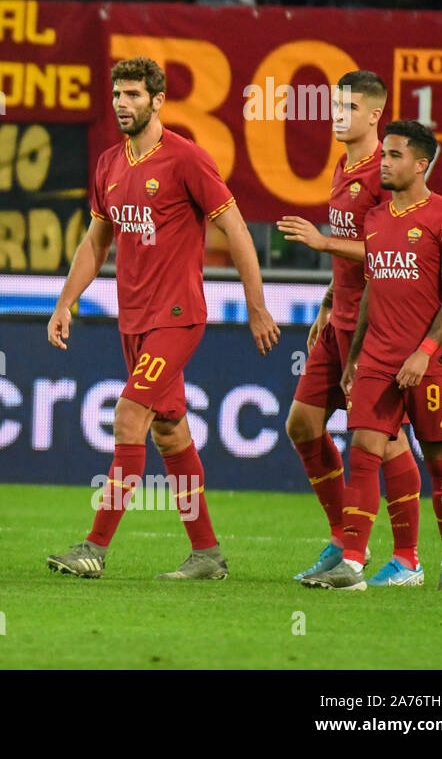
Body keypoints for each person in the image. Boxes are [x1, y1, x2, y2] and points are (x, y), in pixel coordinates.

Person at [46, 57, 279, 580]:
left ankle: (94, 548)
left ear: (157, 100)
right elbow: (96, 241)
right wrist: (66, 302)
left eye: (133, 95)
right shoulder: (109, 163)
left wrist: (256, 305)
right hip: (133, 319)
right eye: (118, 94)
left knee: (128, 416)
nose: (123, 104)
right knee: (170, 433)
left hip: (177, 316)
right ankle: (208, 555)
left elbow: (237, 231)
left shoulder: (186, 160)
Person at [304, 120, 442, 593]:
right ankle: (354, 564)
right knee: (363, 449)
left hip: (431, 362)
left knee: (440, 459)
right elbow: (373, 289)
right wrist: (354, 356)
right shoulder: (375, 220)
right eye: (384, 155)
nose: (384, 162)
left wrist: (423, 352)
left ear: (421, 164)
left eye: (394, 156)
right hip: (378, 356)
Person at [277, 71, 425, 587]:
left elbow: (393, 248)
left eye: (350, 107)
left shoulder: (386, 175)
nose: (338, 114)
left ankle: (405, 558)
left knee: (387, 442)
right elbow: (353, 253)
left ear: (374, 116)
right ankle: (343, 535)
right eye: (335, 105)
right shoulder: (343, 166)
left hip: (380, 326)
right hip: (340, 317)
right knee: (302, 423)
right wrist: (325, 300)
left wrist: (319, 244)